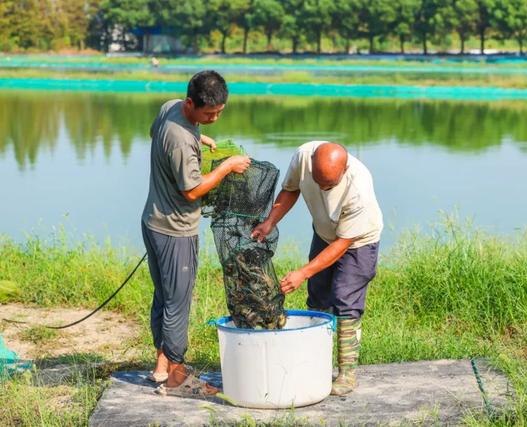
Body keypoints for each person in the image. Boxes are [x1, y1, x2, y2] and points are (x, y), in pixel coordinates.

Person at [141, 70, 250, 397]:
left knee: (164, 296)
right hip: (175, 230)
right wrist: (226, 167)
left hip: (153, 222)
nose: (214, 118)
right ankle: (176, 378)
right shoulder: (180, 139)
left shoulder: (170, 108)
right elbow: (192, 190)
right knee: (178, 303)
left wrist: (197, 134)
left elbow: (155, 132)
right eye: (208, 114)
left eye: (219, 112)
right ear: (190, 102)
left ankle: (162, 368)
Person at [252, 141, 383, 396]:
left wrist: (303, 271)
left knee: (344, 298)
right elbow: (291, 190)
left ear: (344, 171)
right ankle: (317, 364)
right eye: (319, 181)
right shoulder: (303, 156)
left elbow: (343, 244)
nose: (323, 188)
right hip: (324, 233)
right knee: (318, 296)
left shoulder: (359, 186)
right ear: (311, 163)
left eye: (329, 185)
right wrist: (270, 222)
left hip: (357, 242)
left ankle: (347, 373)